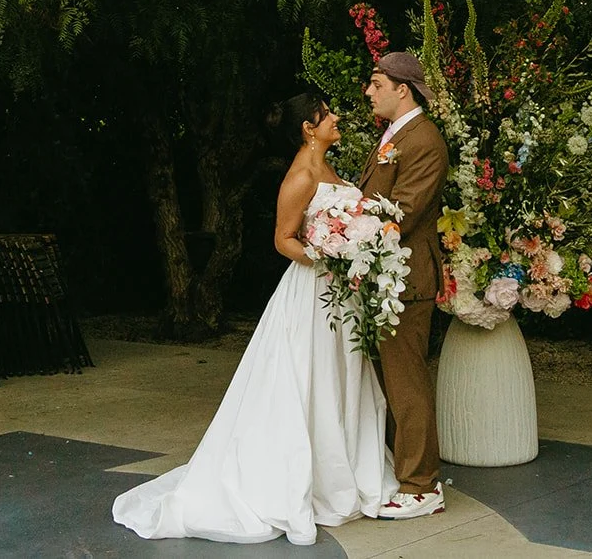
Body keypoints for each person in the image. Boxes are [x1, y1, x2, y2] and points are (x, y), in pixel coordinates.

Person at [112, 92, 397, 546]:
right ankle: (303, 480)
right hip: (314, 291)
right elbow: (283, 239)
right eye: (327, 115)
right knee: (309, 380)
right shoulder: (300, 177)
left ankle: (344, 469)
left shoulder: (326, 168)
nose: (336, 118)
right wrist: (329, 255)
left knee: (341, 378)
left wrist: (355, 251)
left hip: (342, 293)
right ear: (309, 128)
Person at [359, 51, 450, 519]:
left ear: (403, 89)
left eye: (376, 83)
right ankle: (404, 471)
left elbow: (403, 209)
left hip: (406, 279)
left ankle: (422, 487)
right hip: (384, 275)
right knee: (390, 381)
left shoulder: (424, 140)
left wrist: (343, 222)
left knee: (406, 381)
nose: (368, 91)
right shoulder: (395, 135)